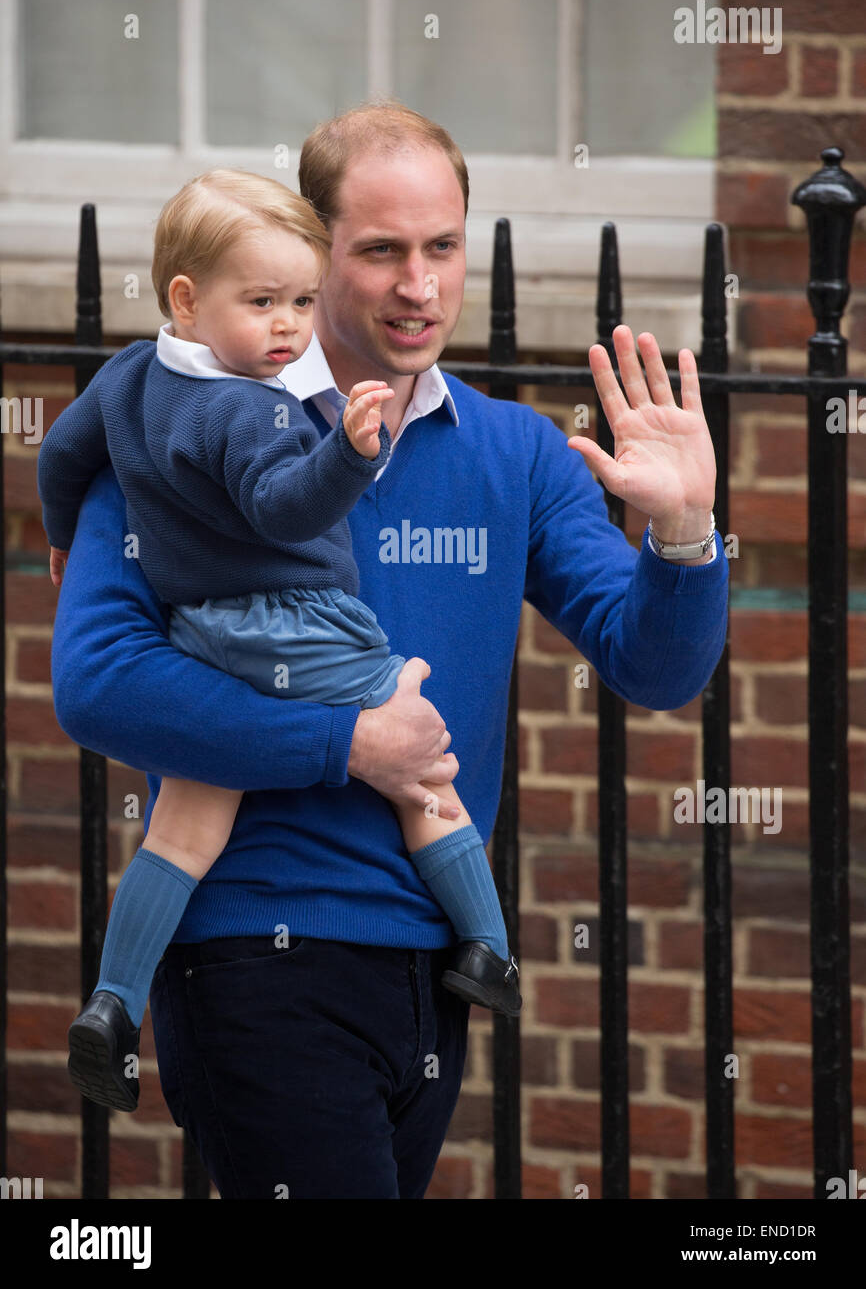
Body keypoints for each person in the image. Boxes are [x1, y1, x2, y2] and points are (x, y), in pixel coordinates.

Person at [47, 100, 728, 1199]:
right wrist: (348, 742)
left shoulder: (515, 454)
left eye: (443, 247)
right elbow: (97, 686)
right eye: (380, 251)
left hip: (430, 967)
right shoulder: (185, 433)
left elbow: (654, 666)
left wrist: (684, 529)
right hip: (251, 950)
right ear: (313, 253)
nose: (420, 285)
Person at [38, 167, 522, 1113]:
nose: (289, 328)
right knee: (424, 766)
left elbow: (62, 454)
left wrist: (62, 534)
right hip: (304, 626)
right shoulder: (255, 408)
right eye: (262, 303)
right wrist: (348, 453)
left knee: (183, 827)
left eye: (301, 300)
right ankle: (491, 951)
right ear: (187, 298)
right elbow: (280, 504)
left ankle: (111, 1004)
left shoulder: (126, 379)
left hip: (203, 639)